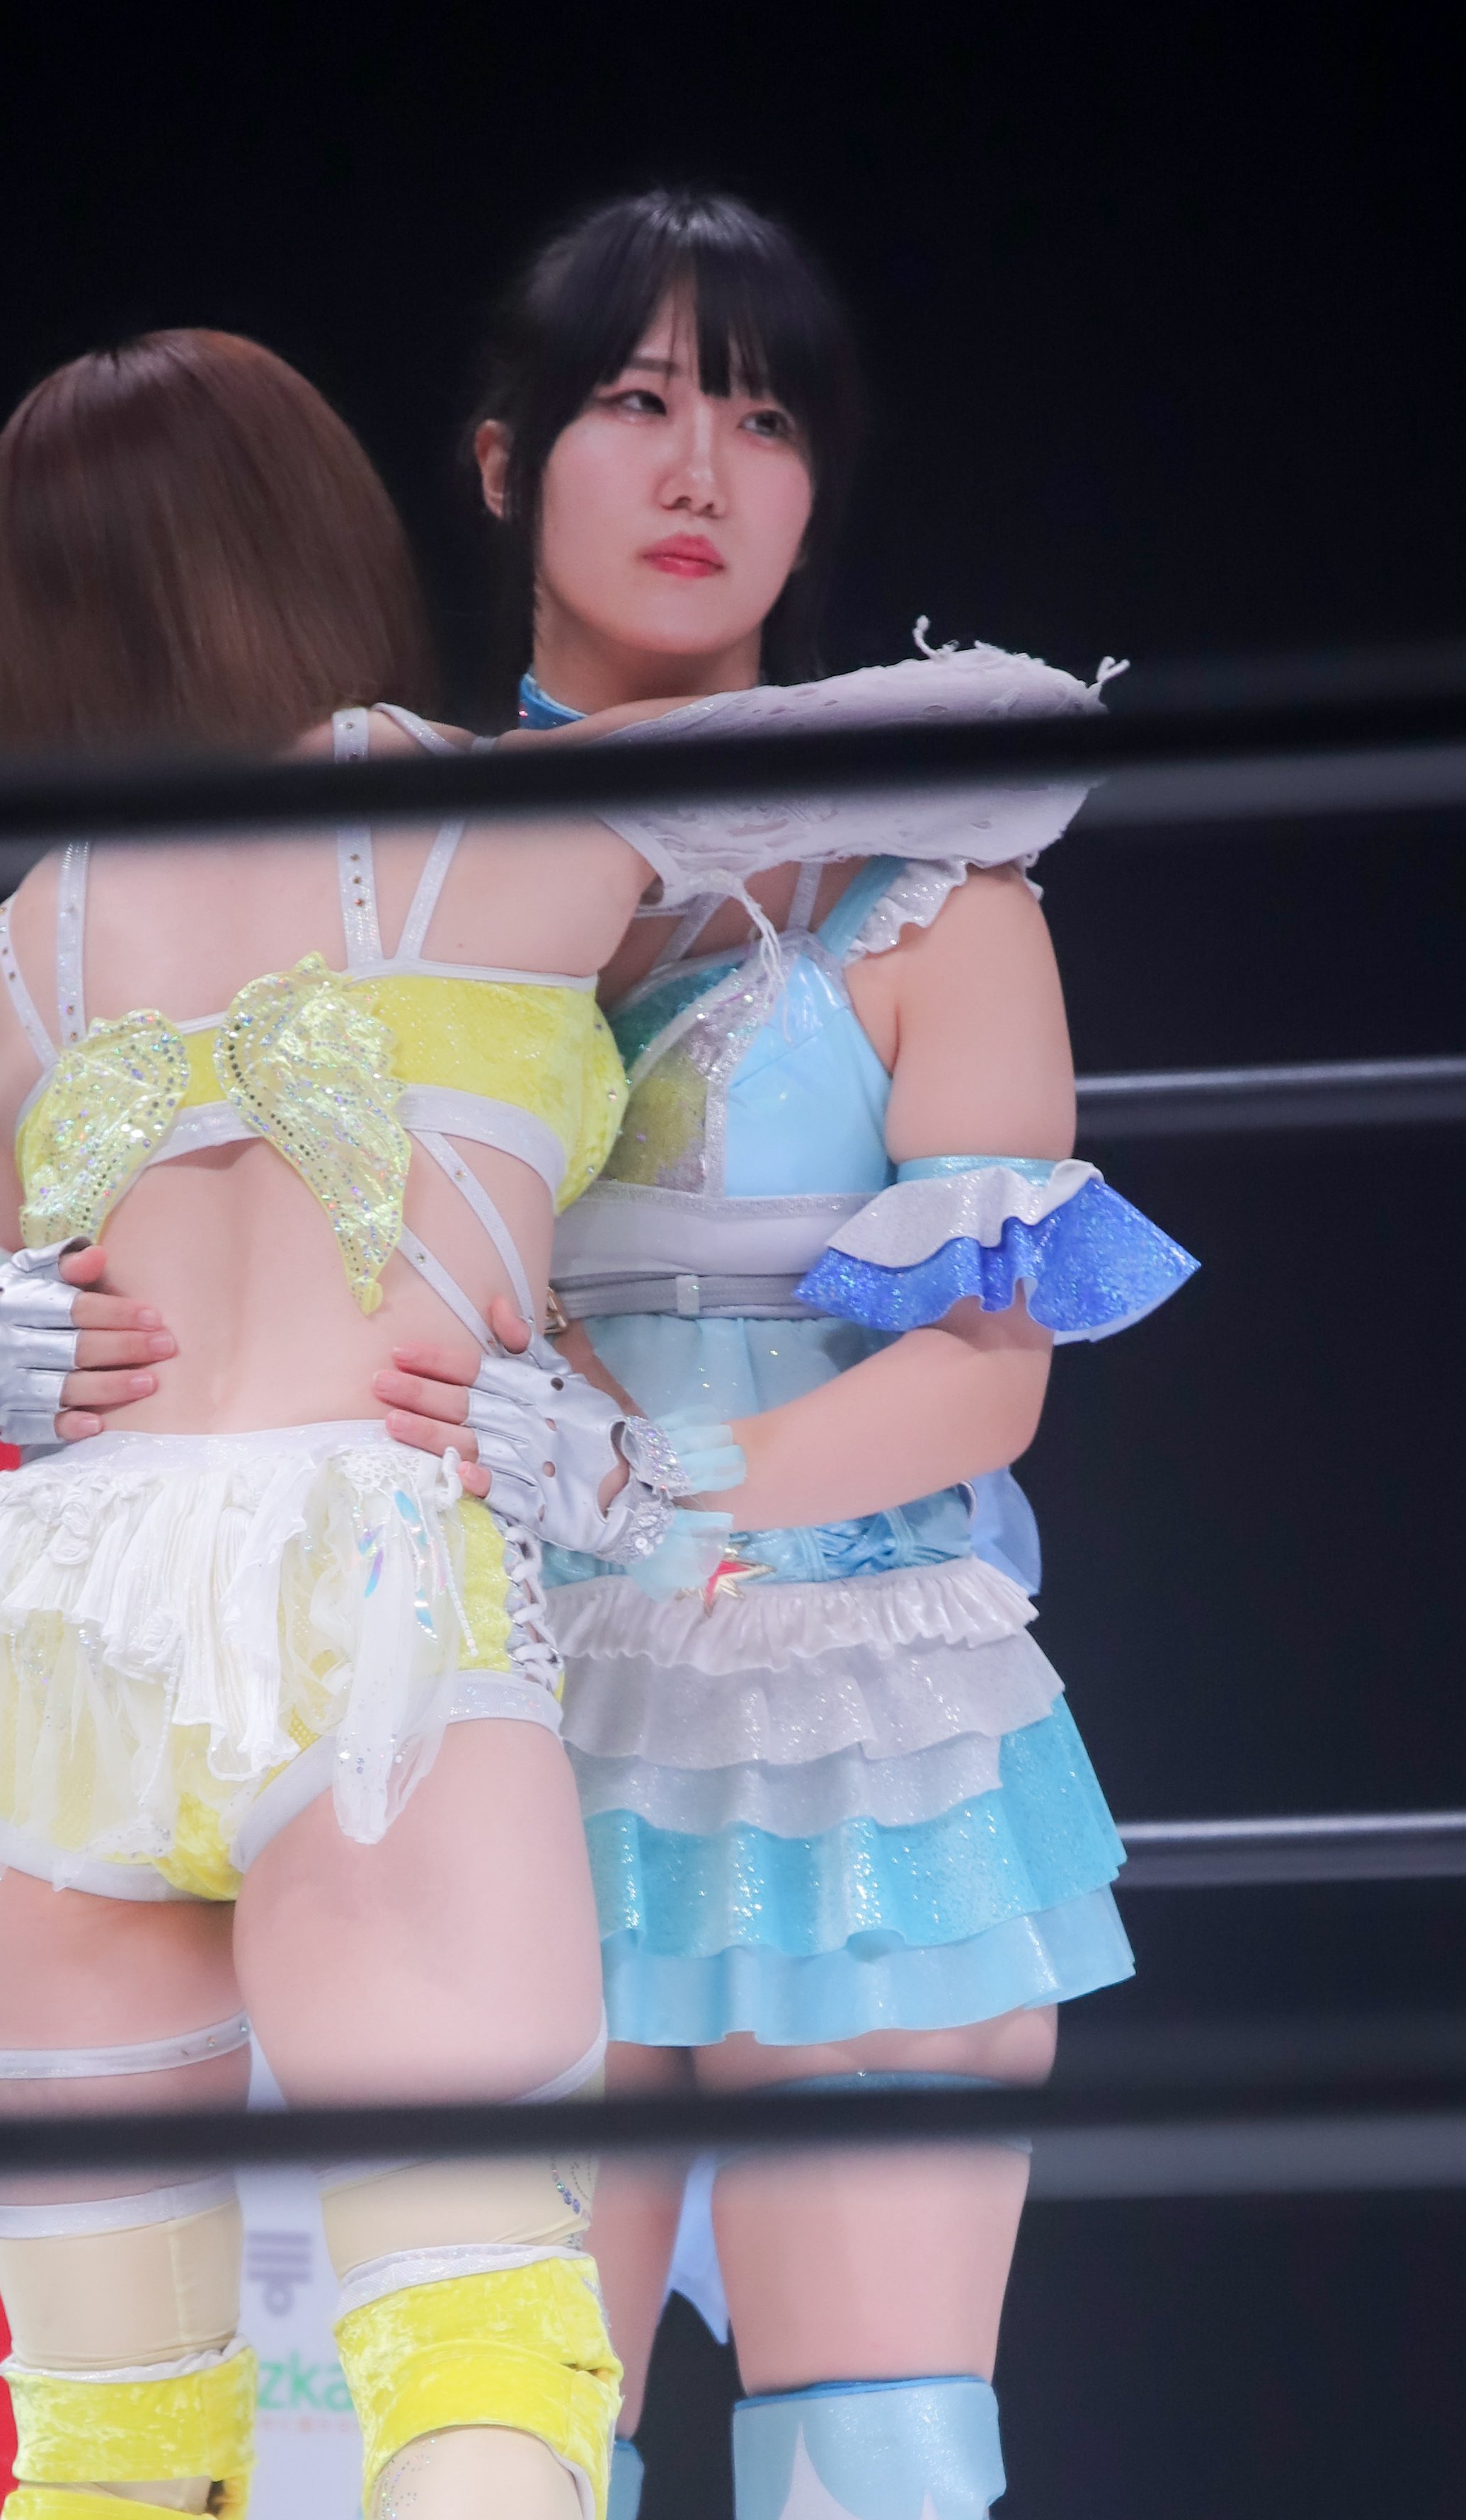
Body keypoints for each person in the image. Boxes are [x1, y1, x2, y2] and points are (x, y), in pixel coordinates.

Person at [0, 322, 1033, 2520]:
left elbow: (11, 1297)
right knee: (480, 2350)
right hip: (356, 1589)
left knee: (104, 2443)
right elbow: (980, 748)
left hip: (31, 1634)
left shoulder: (21, 942)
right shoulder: (502, 818)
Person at [367, 190, 1198, 2520]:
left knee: (882, 2455)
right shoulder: (383, 859)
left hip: (848, 1707)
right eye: (637, 402)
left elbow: (989, 1373)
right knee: (497, 2445)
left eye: (760, 417)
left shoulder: (944, 892)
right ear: (505, 461)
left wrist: (660, 1490)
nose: (698, 468)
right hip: (486, 1705)